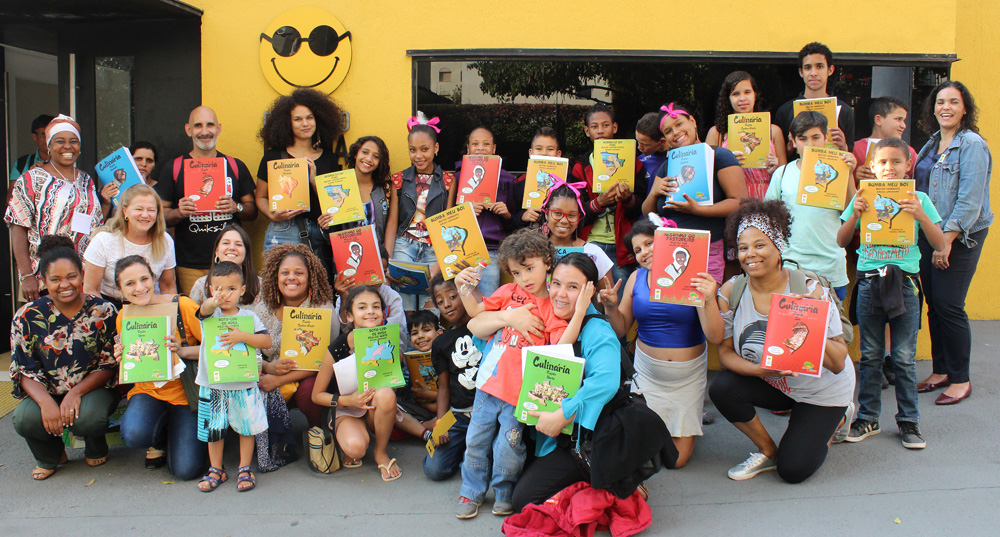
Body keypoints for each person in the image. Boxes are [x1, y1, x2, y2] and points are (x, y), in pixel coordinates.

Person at [708, 199, 854, 483]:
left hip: (821, 390)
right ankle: (767, 450)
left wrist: (810, 321)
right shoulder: (732, 290)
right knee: (723, 388)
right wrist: (764, 371)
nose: (751, 255)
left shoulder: (809, 289)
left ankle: (838, 415)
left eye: (760, 245)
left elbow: (837, 363)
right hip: (776, 381)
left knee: (793, 471)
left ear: (778, 247)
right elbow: (725, 354)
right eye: (743, 248)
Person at [453, 228, 589, 519]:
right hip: (488, 386)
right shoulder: (507, 293)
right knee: (475, 440)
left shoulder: (551, 306)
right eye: (516, 272)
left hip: (520, 395)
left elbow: (561, 347)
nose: (524, 278)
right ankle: (471, 491)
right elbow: (476, 312)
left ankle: (503, 492)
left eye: (530, 268)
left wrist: (578, 314)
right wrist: (462, 287)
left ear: (547, 262)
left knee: (509, 447)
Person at [837, 138, 946, 449]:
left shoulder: (919, 198)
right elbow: (840, 240)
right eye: (882, 162)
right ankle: (868, 417)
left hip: (905, 284)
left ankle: (909, 422)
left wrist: (920, 215)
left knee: (903, 357)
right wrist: (856, 215)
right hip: (870, 281)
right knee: (870, 356)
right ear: (872, 166)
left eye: (896, 162)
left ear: (908, 165)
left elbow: (940, 244)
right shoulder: (862, 195)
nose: (889, 168)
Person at [598, 218, 723, 468]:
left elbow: (715, 336)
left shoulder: (695, 278)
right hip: (647, 375)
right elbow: (621, 327)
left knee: (676, 461)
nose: (644, 252)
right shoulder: (636, 278)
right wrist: (611, 308)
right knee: (640, 451)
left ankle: (679, 421)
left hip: (686, 379)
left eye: (649, 243)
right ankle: (654, 424)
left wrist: (708, 299)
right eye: (637, 250)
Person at [511, 253, 620, 511]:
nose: (560, 294)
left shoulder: (597, 330)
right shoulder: (551, 317)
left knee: (522, 502)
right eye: (556, 283)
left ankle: (617, 480)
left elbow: (606, 381)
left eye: (573, 287)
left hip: (583, 437)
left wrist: (564, 414)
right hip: (547, 429)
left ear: (589, 291)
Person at [10, 235, 118, 480]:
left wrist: (75, 393)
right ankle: (50, 455)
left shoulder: (103, 311)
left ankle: (95, 442)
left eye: (71, 276)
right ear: (44, 281)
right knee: (25, 418)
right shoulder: (27, 315)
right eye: (55, 279)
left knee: (88, 417)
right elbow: (23, 367)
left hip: (92, 389)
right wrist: (47, 402)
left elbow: (109, 363)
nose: (65, 284)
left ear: (82, 274)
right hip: (46, 388)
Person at [914, 81, 993, 405]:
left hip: (960, 236)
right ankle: (941, 369)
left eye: (953, 102)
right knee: (935, 305)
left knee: (950, 305)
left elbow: (970, 202)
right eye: (941, 102)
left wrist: (945, 243)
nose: (945, 107)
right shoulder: (933, 142)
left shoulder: (972, 144)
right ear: (933, 108)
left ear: (964, 108)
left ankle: (960, 378)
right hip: (932, 234)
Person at [112, 255, 205, 479]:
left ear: (153, 277)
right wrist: (122, 357)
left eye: (144, 279)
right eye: (130, 283)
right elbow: (133, 362)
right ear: (120, 289)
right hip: (148, 392)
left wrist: (182, 350)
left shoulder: (182, 306)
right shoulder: (125, 316)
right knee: (134, 434)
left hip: (186, 395)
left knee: (186, 471)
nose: (140, 288)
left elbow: (215, 348)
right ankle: (160, 436)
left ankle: (178, 434)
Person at [154, 106, 258, 296]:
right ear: (188, 130)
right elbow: (159, 215)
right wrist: (179, 212)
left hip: (231, 262)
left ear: (218, 128)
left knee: (230, 315)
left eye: (210, 125)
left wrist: (237, 207)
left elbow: (253, 211)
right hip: (189, 265)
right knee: (196, 318)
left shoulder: (235, 166)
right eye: (198, 126)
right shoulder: (174, 168)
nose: (204, 132)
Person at [643, 103, 747, 282]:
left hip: (707, 247)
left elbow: (740, 201)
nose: (675, 132)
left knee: (704, 303)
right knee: (676, 306)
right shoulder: (667, 166)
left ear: (693, 122)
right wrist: (653, 193)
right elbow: (648, 213)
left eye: (679, 124)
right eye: (668, 131)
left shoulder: (720, 156)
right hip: (670, 248)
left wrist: (698, 210)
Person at [6, 115, 105, 302]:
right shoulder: (30, 179)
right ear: (48, 146)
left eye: (73, 141)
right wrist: (27, 276)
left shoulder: (86, 180)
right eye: (60, 141)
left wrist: (106, 203)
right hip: (44, 278)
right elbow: (17, 226)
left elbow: (94, 226)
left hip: (82, 277)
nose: (68, 146)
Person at [310, 286, 405, 482]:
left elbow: (393, 383)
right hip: (348, 409)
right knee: (356, 449)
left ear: (383, 313)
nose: (370, 311)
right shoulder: (339, 346)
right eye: (362, 307)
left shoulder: (387, 340)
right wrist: (350, 401)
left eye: (376, 307)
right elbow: (317, 395)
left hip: (375, 407)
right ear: (350, 315)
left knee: (386, 394)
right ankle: (349, 436)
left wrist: (396, 357)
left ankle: (380, 452)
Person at [194, 261, 271, 492]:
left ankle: (244, 467)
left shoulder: (249, 318)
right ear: (210, 289)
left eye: (231, 289)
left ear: (242, 290)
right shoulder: (209, 315)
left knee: (246, 427)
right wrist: (211, 302)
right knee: (214, 429)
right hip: (213, 384)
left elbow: (266, 342)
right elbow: (204, 309)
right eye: (218, 289)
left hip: (243, 382)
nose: (225, 294)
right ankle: (216, 469)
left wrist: (243, 336)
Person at [764, 111, 858, 300]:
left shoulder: (837, 169)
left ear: (825, 138)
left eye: (816, 137)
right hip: (792, 265)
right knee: (795, 325)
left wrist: (848, 174)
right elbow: (768, 218)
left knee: (831, 326)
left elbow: (852, 213)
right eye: (803, 138)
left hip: (831, 266)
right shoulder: (782, 173)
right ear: (793, 140)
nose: (810, 144)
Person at [255, 89, 344, 277]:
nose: (305, 123)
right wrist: (273, 215)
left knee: (318, 289)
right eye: (298, 119)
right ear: (287, 123)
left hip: (319, 231)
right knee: (278, 286)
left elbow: (337, 205)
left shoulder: (329, 158)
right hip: (283, 229)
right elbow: (261, 197)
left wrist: (314, 182)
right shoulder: (273, 157)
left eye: (310, 118)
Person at [249, 243, 338, 429]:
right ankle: (269, 438)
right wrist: (268, 367)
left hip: (310, 375)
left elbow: (325, 362)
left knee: (309, 388)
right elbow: (252, 352)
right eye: (285, 273)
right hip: (270, 371)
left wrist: (278, 380)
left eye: (299, 273)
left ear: (310, 277)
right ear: (276, 276)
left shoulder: (322, 309)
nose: (291, 278)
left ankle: (318, 433)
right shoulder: (262, 308)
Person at [571, 104, 646, 287]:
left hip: (621, 244)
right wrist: (599, 203)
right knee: (589, 293)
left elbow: (642, 207)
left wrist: (628, 199)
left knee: (619, 296)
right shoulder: (580, 167)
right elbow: (576, 212)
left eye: (605, 125)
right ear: (587, 131)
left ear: (615, 127)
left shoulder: (633, 163)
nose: (600, 131)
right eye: (594, 127)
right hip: (591, 242)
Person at [389, 112, 457, 311]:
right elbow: (393, 222)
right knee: (406, 309)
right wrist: (387, 259)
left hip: (433, 249)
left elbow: (448, 223)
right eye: (412, 150)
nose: (418, 156)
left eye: (424, 149)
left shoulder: (448, 180)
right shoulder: (399, 180)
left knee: (432, 310)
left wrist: (441, 261)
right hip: (403, 247)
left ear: (436, 148)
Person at [423, 274, 482, 481]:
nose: (447, 305)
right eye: (440, 302)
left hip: (486, 414)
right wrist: (440, 422)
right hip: (457, 415)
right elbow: (444, 386)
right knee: (434, 469)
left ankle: (471, 450)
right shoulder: (442, 343)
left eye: (452, 296)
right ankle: (463, 448)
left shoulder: (487, 327)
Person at [83, 184, 177, 308]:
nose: (145, 215)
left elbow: (168, 286)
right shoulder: (103, 240)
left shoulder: (165, 240)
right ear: (125, 211)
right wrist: (111, 317)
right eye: (139, 209)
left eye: (151, 210)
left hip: (151, 306)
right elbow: (91, 289)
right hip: (109, 307)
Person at [454, 126, 517, 297]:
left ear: (494, 149)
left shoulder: (507, 180)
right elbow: (446, 217)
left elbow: (514, 222)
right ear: (468, 149)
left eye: (486, 144)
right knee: (459, 301)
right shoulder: (456, 178)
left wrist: (507, 214)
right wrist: (465, 211)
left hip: (490, 251)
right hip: (461, 249)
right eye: (475, 144)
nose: (480, 148)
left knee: (487, 302)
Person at [705, 71, 788, 199]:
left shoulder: (773, 131)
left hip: (768, 198)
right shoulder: (717, 133)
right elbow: (706, 174)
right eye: (735, 94)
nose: (742, 98)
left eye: (747, 92)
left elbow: (786, 175)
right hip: (733, 200)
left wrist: (777, 167)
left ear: (755, 95)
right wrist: (726, 163)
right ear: (728, 98)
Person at [773, 42, 856, 157]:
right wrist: (790, 147)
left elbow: (850, 156)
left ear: (830, 70)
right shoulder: (785, 111)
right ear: (801, 72)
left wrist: (844, 147)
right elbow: (778, 160)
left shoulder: (845, 111)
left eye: (819, 66)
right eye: (808, 68)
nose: (813, 73)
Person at [324, 136, 397, 258]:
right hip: (346, 256)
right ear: (355, 154)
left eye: (376, 156)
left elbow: (391, 225)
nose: (369, 159)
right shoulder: (338, 188)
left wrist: (387, 259)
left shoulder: (387, 189)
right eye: (365, 152)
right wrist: (326, 226)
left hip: (378, 256)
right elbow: (331, 233)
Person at [541, 183, 613, 282]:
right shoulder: (532, 251)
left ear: (579, 218)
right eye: (557, 213)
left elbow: (607, 295)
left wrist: (609, 297)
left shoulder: (593, 253)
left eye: (571, 215)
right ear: (546, 213)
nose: (564, 220)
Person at [188, 224, 261, 306]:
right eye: (226, 243)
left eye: (238, 244)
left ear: (246, 253)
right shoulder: (201, 285)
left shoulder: (260, 286)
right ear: (217, 251)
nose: (232, 248)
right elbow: (192, 317)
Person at [852, 97, 918, 182]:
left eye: (896, 162)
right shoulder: (855, 149)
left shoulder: (909, 152)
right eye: (898, 119)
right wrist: (855, 177)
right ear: (878, 120)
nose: (903, 125)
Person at [513, 127, 564, 229]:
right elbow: (510, 218)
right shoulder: (520, 183)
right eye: (539, 149)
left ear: (558, 154)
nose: (544, 153)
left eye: (550, 149)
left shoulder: (569, 182)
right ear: (530, 153)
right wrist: (522, 217)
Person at [7, 113, 54, 199]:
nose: (48, 138)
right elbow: (10, 199)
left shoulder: (66, 162)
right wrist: (29, 178)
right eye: (43, 134)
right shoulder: (22, 164)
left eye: (51, 134)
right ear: (34, 137)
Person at [636, 111, 669, 198]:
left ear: (662, 141)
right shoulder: (639, 161)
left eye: (644, 144)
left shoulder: (677, 159)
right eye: (638, 142)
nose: (639, 147)